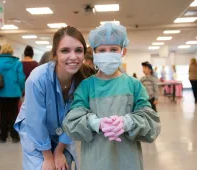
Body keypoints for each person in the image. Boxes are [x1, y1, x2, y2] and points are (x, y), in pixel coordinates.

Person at [63, 23, 161, 170]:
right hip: (96, 161)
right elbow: (72, 122)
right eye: (102, 50)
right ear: (94, 53)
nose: (107, 53)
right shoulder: (87, 87)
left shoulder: (133, 85)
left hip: (128, 160)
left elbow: (151, 125)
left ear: (123, 51)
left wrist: (128, 122)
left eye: (113, 49)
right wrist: (96, 123)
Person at [14, 26, 94, 170]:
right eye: (65, 50)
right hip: (35, 133)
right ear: (55, 54)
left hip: (63, 134)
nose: (73, 56)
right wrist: (48, 157)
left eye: (78, 50)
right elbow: (35, 122)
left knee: (65, 165)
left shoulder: (83, 81)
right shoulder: (37, 79)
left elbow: (74, 120)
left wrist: (59, 150)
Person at [0, 44, 25, 143]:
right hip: (14, 92)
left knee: (3, 113)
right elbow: (21, 78)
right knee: (14, 113)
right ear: (11, 52)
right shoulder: (17, 62)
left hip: (1, 92)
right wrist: (21, 88)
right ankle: (14, 136)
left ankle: (3, 136)